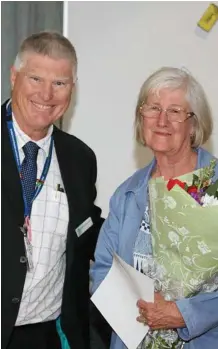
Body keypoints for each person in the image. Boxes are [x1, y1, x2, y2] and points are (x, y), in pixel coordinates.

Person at [90, 67, 218, 349]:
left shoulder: (213, 185)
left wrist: (184, 314)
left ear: (193, 124)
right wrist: (137, 308)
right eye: (154, 108)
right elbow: (103, 269)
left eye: (175, 111)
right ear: (141, 118)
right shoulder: (129, 192)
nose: (162, 120)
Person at [2, 31, 105, 349]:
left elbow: (88, 233)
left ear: (71, 89)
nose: (46, 94)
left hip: (44, 336)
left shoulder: (80, 159)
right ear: (14, 76)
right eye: (35, 78)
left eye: (59, 83)